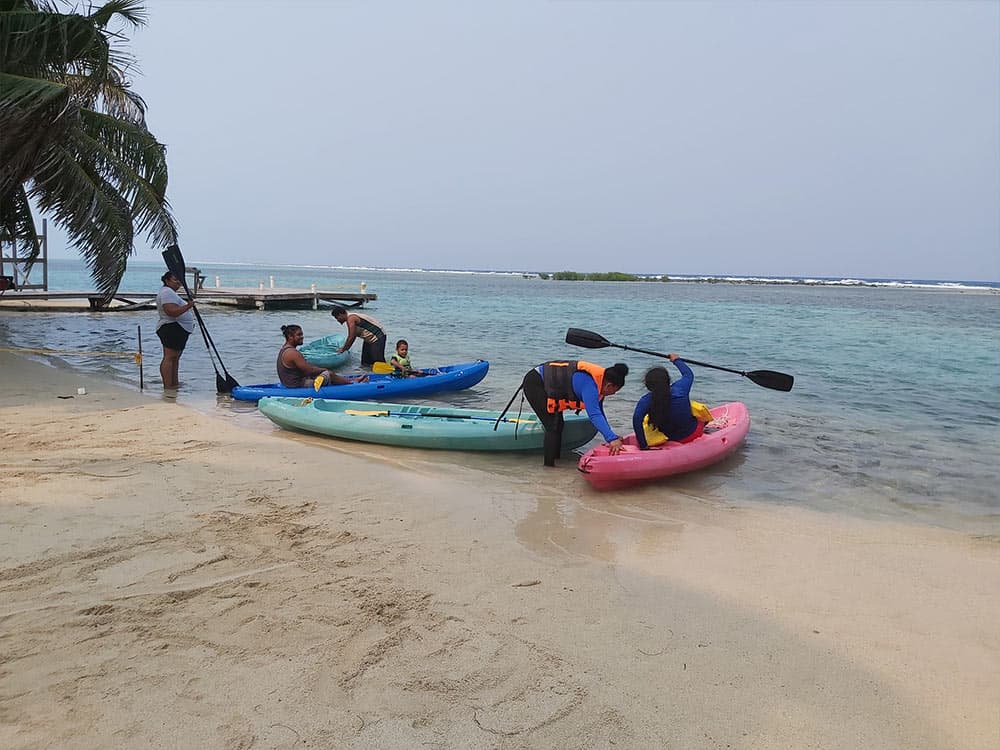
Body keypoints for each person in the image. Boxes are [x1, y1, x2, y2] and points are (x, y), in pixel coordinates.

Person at [521, 360, 629, 467]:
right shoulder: (590, 386)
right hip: (535, 382)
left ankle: (557, 459)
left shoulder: (599, 383)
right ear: (609, 385)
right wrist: (611, 439)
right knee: (552, 426)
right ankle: (548, 467)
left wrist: (611, 436)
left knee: (558, 424)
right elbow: (594, 415)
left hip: (546, 382)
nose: (614, 394)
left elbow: (599, 412)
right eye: (615, 391)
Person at [632, 355, 705, 450]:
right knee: (699, 415)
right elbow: (688, 374)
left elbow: (636, 420)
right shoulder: (680, 388)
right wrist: (676, 360)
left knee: (648, 421)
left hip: (666, 438)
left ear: (647, 386)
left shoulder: (645, 400)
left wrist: (643, 446)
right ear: (668, 381)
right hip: (691, 434)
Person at [277, 325, 369, 388]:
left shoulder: (285, 349)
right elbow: (309, 370)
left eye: (302, 334)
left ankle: (352, 380)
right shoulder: (292, 353)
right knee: (329, 374)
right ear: (290, 336)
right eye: (299, 335)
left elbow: (306, 371)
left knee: (325, 375)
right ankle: (353, 383)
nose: (302, 337)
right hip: (297, 385)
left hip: (291, 383)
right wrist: (324, 370)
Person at [156, 271, 196, 389]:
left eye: (179, 279)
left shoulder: (170, 293)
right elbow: (171, 311)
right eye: (175, 279)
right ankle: (168, 385)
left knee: (175, 358)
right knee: (169, 357)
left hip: (177, 328)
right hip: (171, 327)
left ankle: (174, 383)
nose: (178, 282)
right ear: (167, 281)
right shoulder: (167, 292)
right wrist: (188, 306)